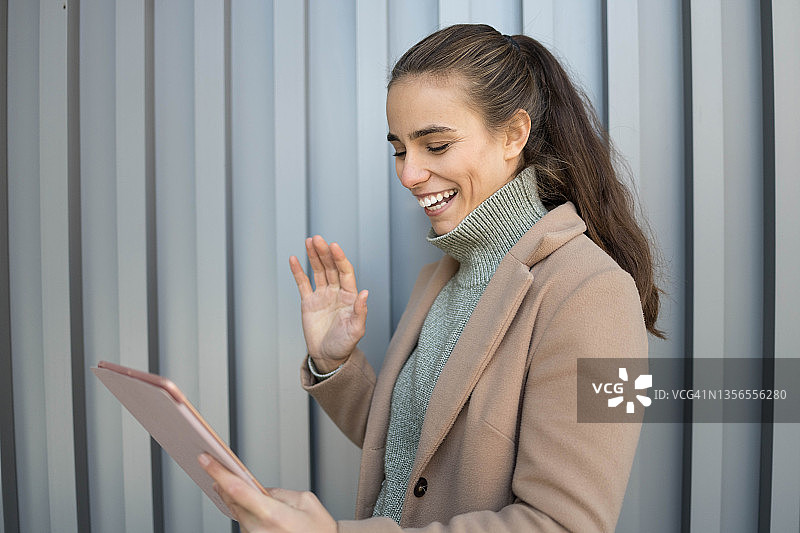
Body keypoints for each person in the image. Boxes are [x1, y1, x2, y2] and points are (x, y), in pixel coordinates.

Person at [200, 23, 664, 532]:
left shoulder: (598, 294)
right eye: (399, 149)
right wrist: (335, 364)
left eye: (435, 145)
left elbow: (567, 525)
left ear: (514, 135)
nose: (407, 174)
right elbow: (417, 455)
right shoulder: (443, 276)